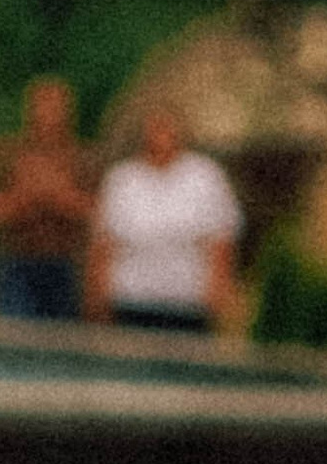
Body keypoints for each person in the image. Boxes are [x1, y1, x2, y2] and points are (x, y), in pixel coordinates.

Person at [89, 102, 242, 336]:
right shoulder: (122, 178)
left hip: (187, 305)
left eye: (166, 126)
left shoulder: (205, 175)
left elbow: (221, 239)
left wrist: (218, 293)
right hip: (131, 302)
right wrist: (99, 297)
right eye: (154, 126)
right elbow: (104, 243)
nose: (160, 134)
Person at [0, 76, 93, 317]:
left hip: (66, 264)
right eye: (42, 105)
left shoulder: (82, 159)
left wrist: (57, 197)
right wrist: (27, 198)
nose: (48, 114)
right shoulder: (8, 155)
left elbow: (97, 214)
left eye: (56, 106)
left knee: (64, 343)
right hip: (16, 263)